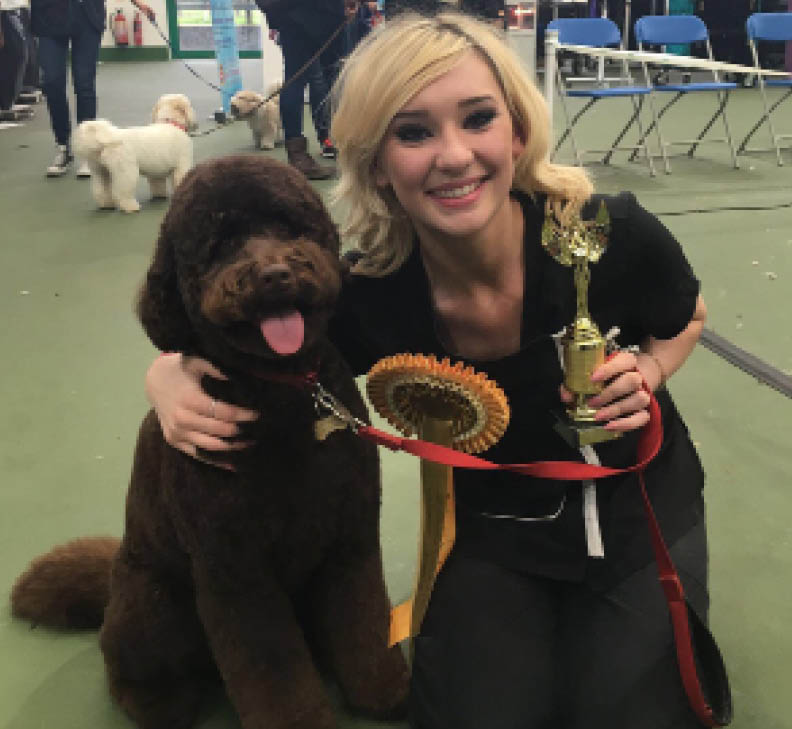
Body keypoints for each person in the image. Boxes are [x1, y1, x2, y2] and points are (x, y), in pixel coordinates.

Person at [145, 12, 710, 729]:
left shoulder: (608, 232)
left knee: (632, 715)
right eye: (413, 132)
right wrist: (164, 375)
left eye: (478, 119)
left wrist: (653, 369)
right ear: (375, 161)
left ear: (518, 131)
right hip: (496, 533)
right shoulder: (364, 296)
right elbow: (245, 343)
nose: (453, 155)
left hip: (640, 514)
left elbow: (686, 315)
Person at [258, 0, 351, 179]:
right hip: (320, 14)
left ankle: (300, 154)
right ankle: (339, 145)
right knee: (335, 78)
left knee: (298, 80)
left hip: (288, 16)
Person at [30, 0, 104, 177]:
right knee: (52, 82)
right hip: (49, 15)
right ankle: (63, 146)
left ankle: (87, 151)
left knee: (84, 83)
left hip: (87, 14)